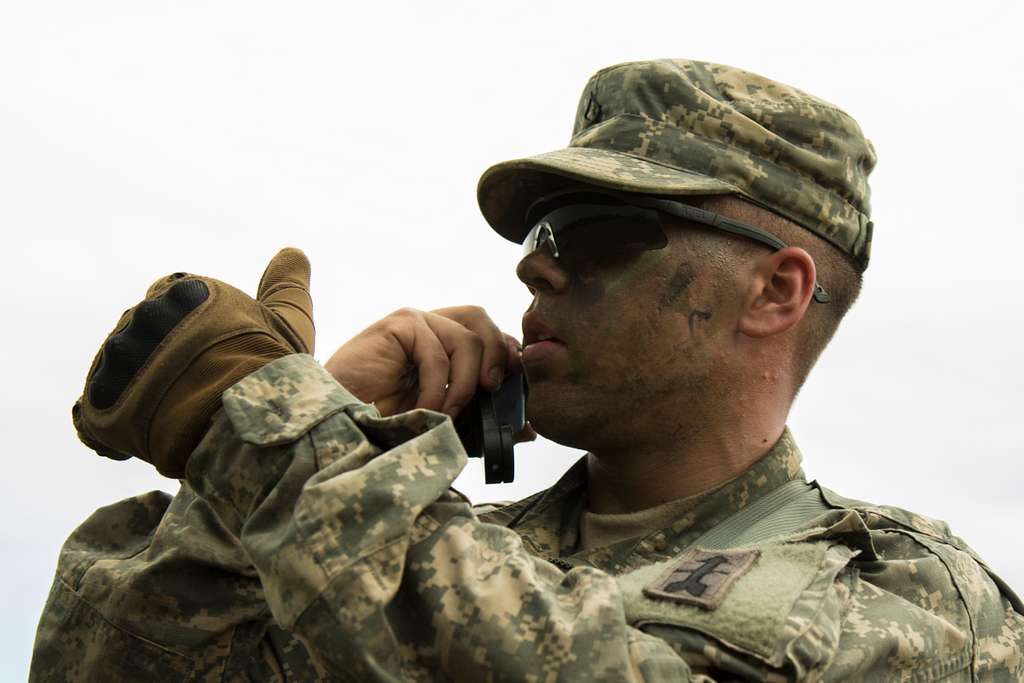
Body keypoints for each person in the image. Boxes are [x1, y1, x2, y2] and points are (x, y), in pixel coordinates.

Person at [30, 59, 1024, 681]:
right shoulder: (451, 544)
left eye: (596, 232)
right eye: (544, 232)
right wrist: (262, 475)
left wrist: (287, 439)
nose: (534, 262)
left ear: (774, 291)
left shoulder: (916, 597)